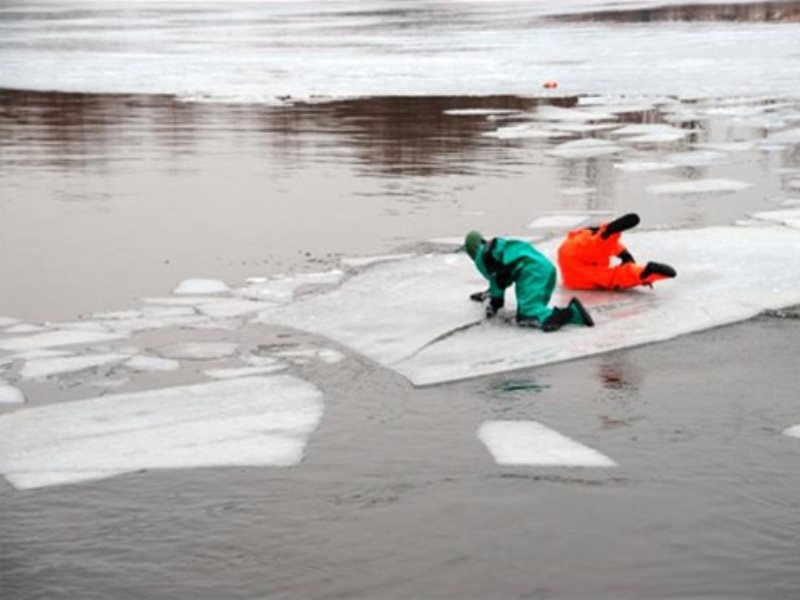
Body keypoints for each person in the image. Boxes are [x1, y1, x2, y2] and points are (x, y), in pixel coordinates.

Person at [464, 230, 594, 332]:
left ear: (471, 250)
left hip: (531, 273)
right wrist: (488, 293)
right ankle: (560, 315)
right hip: (545, 269)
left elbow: (498, 280)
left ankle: (572, 313)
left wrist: (493, 306)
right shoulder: (499, 247)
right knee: (534, 308)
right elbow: (502, 273)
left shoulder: (480, 257)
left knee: (526, 315)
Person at [557, 213, 676, 290]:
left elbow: (596, 247)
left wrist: (624, 254)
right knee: (609, 273)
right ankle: (606, 235)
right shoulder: (583, 243)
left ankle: (645, 273)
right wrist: (624, 253)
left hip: (576, 259)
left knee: (611, 276)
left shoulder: (580, 244)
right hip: (578, 252)